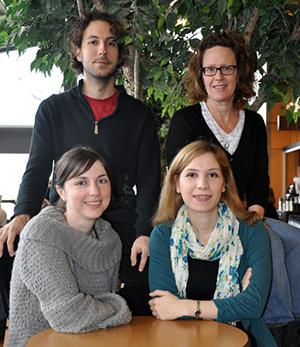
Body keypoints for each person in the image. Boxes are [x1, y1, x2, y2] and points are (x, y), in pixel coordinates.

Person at [0, 10, 160, 317]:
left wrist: (144, 232)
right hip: (67, 222)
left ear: (118, 52)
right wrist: (21, 214)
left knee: (138, 300)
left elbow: (151, 181)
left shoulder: (139, 116)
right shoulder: (53, 110)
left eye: (111, 43)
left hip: (124, 225)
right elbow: (36, 170)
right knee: (10, 250)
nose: (103, 50)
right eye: (93, 42)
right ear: (78, 50)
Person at [148, 140, 276, 347]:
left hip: (242, 340)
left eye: (213, 175)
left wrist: (185, 307)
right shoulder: (163, 235)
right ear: (176, 184)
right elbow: (163, 308)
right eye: (191, 174)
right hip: (180, 341)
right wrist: (234, 303)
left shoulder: (252, 229)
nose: (202, 185)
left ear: (224, 183)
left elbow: (253, 305)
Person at [7, 146, 132, 347]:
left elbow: (95, 314)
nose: (95, 191)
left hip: (94, 341)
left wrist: (104, 309)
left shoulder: (110, 239)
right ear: (61, 191)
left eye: (102, 180)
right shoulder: (42, 234)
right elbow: (68, 316)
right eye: (81, 182)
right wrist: (119, 307)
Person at [166, 30, 269, 217]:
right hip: (197, 222)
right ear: (201, 75)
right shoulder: (185, 121)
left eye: (227, 68)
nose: (218, 76)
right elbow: (179, 183)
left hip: (246, 220)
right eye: (210, 69)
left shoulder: (255, 124)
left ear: (239, 73)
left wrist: (255, 218)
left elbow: (259, 180)